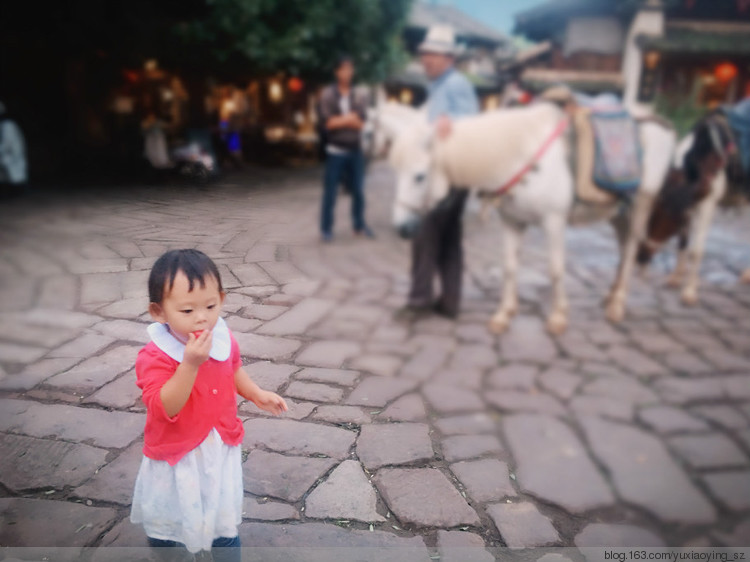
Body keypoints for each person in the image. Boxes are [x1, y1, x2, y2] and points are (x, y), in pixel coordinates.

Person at [130, 249, 288, 562]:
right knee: (168, 521)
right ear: (158, 312)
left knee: (223, 524)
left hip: (218, 446)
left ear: (222, 299)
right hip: (177, 454)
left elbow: (232, 367)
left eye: (211, 306)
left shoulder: (221, 336)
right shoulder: (155, 356)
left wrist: (255, 393)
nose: (202, 317)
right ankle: (167, 551)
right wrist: (189, 364)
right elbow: (164, 406)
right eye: (187, 310)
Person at [399, 25, 479, 319]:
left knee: (426, 232)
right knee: (449, 238)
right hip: (441, 172)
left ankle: (419, 301)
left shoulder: (456, 83)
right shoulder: (439, 86)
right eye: (424, 53)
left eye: (433, 54)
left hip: (449, 174)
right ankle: (450, 302)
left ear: (448, 58)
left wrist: (452, 123)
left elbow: (470, 121)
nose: (426, 59)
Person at [317, 55, 374, 242]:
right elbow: (328, 124)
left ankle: (359, 225)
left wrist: (343, 120)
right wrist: (350, 118)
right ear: (336, 72)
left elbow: (361, 124)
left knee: (358, 190)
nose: (347, 72)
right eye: (343, 69)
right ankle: (326, 229)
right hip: (335, 151)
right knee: (330, 192)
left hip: (355, 151)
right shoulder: (328, 95)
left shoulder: (359, 94)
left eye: (350, 68)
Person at [0, 101, 28, 193]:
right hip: (8, 158)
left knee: (15, 178)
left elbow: (8, 143)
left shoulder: (8, 126)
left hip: (12, 158)